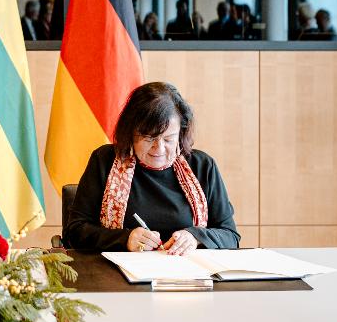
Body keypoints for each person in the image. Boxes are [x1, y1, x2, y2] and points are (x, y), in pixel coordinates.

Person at [63, 82, 240, 253]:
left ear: (181, 133)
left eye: (168, 139)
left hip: (187, 270)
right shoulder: (104, 161)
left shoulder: (202, 166)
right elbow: (74, 232)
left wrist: (196, 237)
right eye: (149, 138)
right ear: (130, 133)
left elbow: (231, 236)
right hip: (119, 271)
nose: (159, 149)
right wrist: (124, 239)